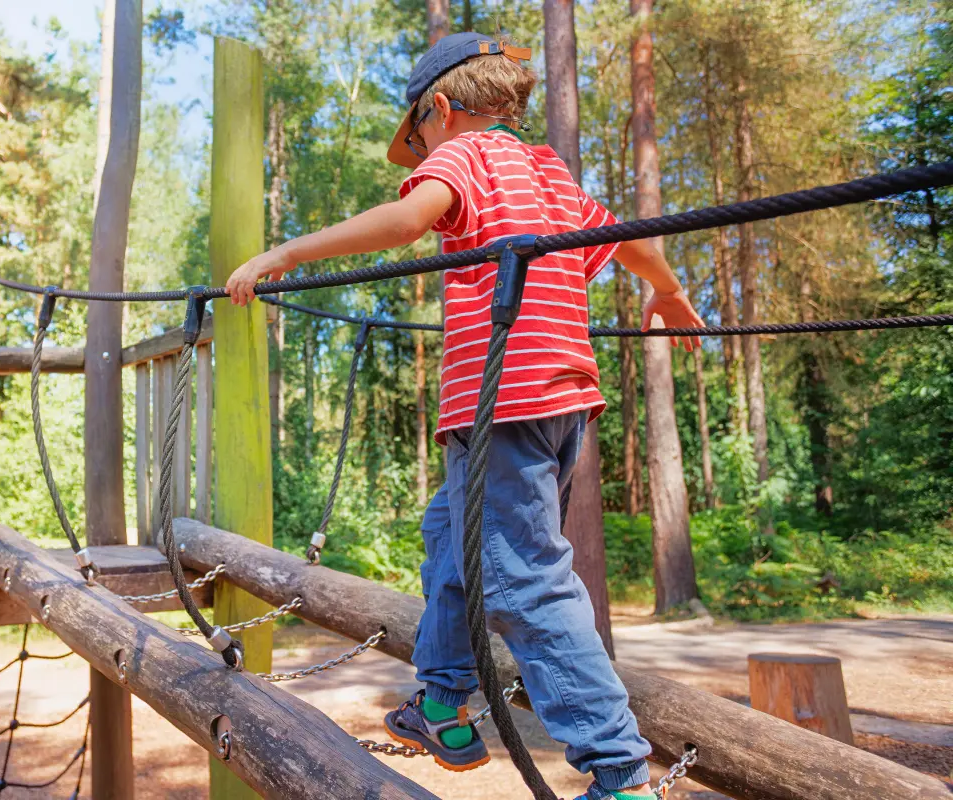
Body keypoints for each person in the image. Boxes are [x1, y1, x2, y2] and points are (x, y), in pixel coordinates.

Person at [226, 31, 705, 800]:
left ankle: (619, 774)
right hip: (559, 405)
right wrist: (670, 292)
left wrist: (284, 255)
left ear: (440, 111)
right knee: (451, 537)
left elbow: (409, 219)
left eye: (416, 141)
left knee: (523, 582)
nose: (420, 158)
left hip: (504, 406)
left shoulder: (464, 155)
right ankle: (443, 701)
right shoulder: (548, 171)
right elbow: (623, 241)